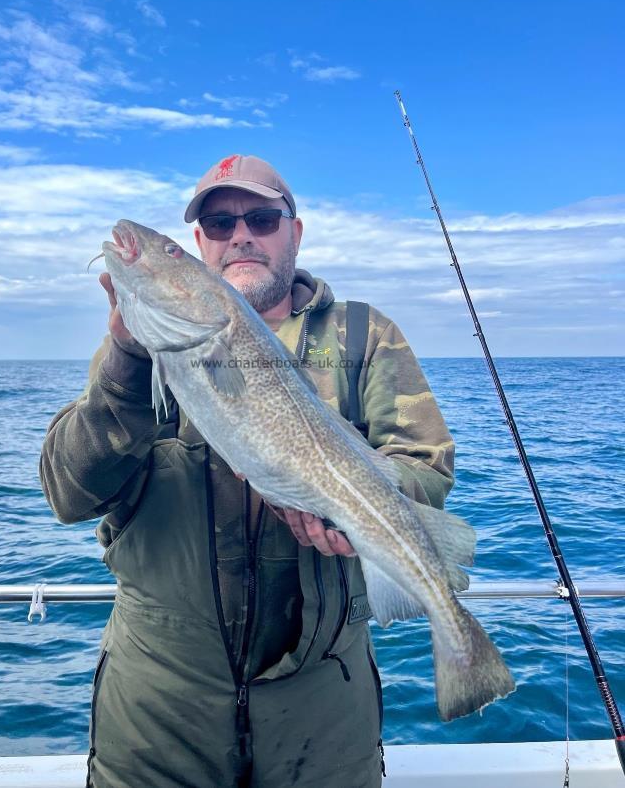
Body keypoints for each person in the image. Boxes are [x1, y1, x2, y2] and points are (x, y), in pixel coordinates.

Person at [40, 154, 455, 788]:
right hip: (159, 699)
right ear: (203, 242)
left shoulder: (364, 337)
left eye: (261, 218)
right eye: (216, 222)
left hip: (324, 699)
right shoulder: (142, 346)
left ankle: (461, 643)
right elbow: (68, 494)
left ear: (295, 231)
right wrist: (126, 358)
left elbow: (425, 466)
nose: (241, 235)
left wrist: (365, 506)